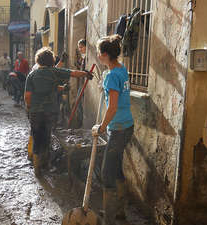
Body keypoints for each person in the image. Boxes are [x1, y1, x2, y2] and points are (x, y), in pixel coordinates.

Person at [25, 47, 93, 177]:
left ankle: (37, 168)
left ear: (38, 60)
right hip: (50, 112)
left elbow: (27, 96)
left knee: (36, 137)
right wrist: (86, 74)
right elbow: (73, 73)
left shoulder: (31, 75)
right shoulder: (54, 72)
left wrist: (29, 109)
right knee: (47, 136)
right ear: (51, 60)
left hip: (36, 112)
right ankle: (46, 165)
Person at [92, 34, 134, 224]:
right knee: (116, 169)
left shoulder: (112, 76)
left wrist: (101, 126)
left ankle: (109, 218)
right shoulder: (121, 69)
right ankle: (120, 211)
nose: (98, 56)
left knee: (107, 172)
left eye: (99, 53)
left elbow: (113, 106)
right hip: (126, 125)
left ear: (106, 54)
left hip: (117, 128)